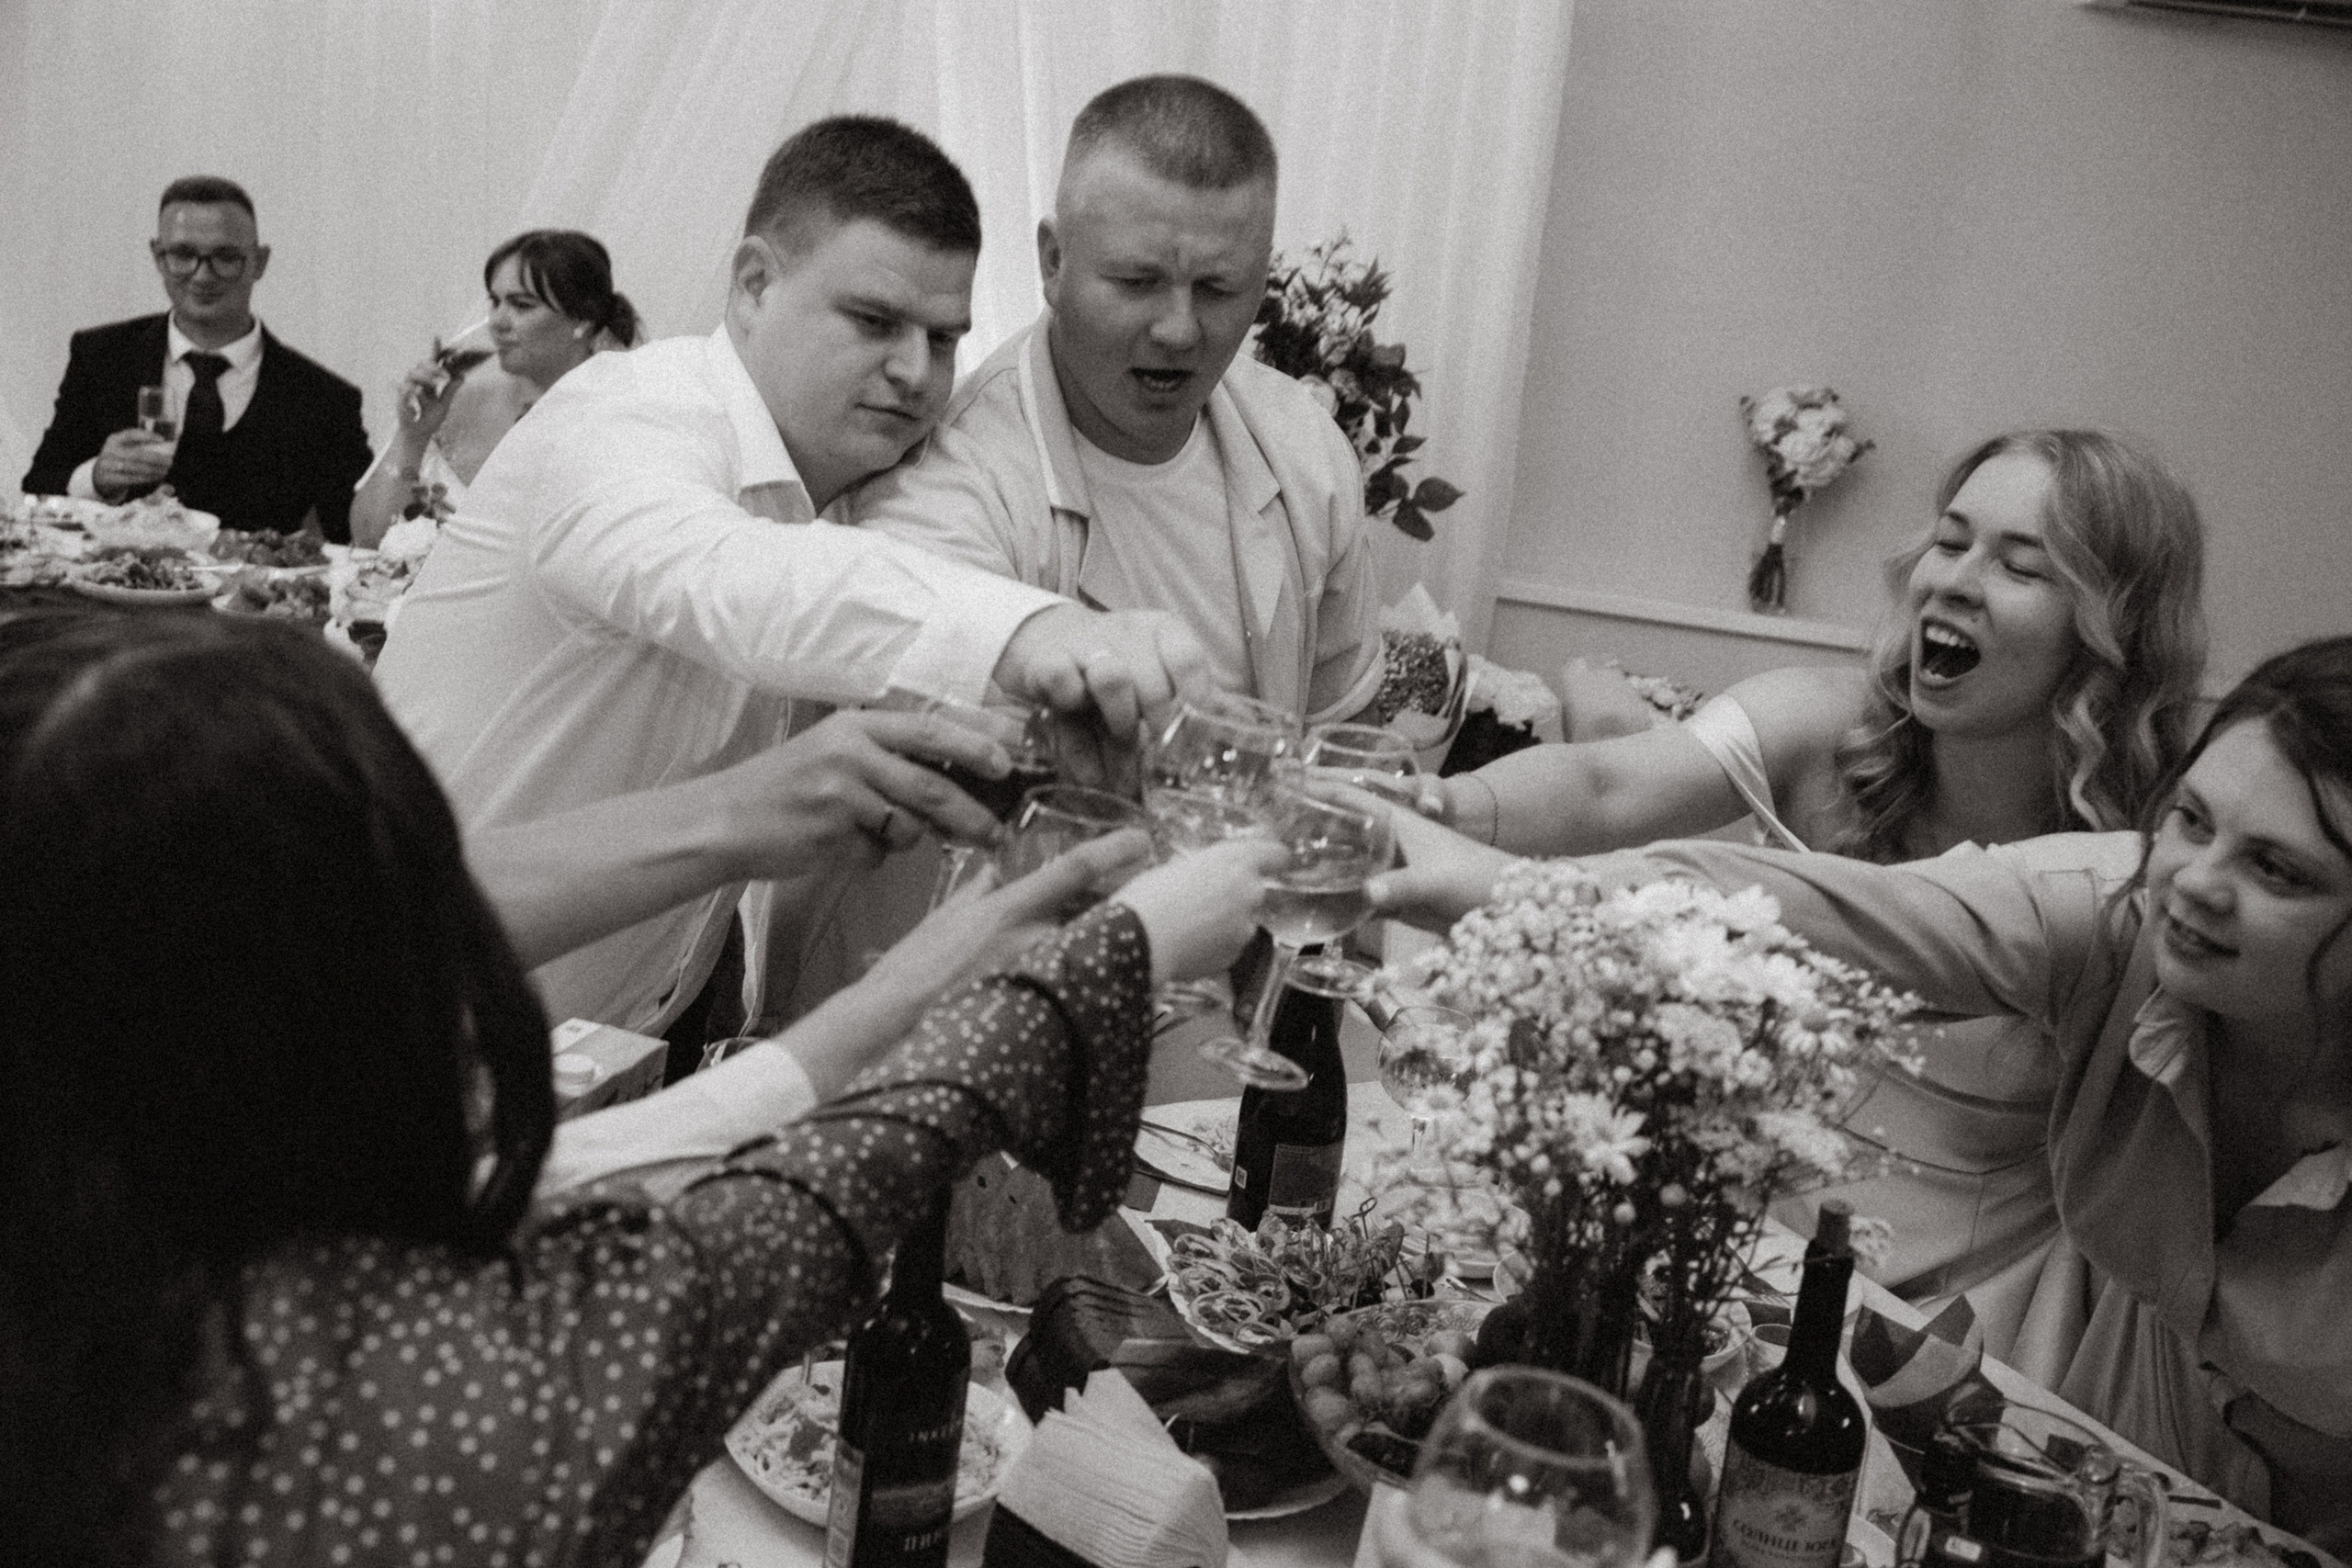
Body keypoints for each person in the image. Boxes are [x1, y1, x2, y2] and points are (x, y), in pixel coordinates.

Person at [0, 611, 1275, 1565]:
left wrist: (908, 980)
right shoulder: (437, 1404)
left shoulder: (109, 1252)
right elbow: (812, 1202)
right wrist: (1134, 945)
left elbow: (732, 1159)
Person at [1373, 636, 2352, 1542]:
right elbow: (1816, 917)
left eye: (2275, 869)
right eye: (2189, 820)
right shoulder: (2113, 915)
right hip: (2117, 1471)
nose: (2194, 882)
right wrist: (1492, 883)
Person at [374, 116, 1210, 1041]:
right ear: (755, 285)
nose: (914, 372)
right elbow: (720, 575)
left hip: (627, 1034)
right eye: (874, 322)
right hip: (411, 1009)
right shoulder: (631, 408)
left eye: (943, 339)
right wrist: (1032, 632)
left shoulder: (863, 483)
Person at [1423, 431, 2210, 1368]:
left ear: (2109, 629)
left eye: (2019, 567)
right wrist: (1431, 802)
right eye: (1949, 540)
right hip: (1708, 1270)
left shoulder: (2137, 872)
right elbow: (1605, 785)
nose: (1951, 580)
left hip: (1939, 1339)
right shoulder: (1820, 723)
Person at [851, 73, 1385, 726]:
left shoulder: (1306, 447)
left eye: (1219, 288)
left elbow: (1347, 739)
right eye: (1138, 282)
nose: (1179, 331)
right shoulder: (948, 480)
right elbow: (947, 783)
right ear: (1053, 263)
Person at [20, 175, 373, 541]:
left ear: (259, 262)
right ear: (158, 258)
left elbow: (359, 532)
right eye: (183, 255)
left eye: (225, 257)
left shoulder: (322, 398)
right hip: (116, 593)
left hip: (249, 597)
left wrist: (412, 440)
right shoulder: (102, 358)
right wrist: (96, 477)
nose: (202, 275)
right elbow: (36, 492)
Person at [348, 230, 642, 550]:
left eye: (522, 305)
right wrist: (412, 436)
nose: (497, 322)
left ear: (583, 320)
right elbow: (368, 537)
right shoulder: (458, 401)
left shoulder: (622, 416)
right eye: (495, 301)